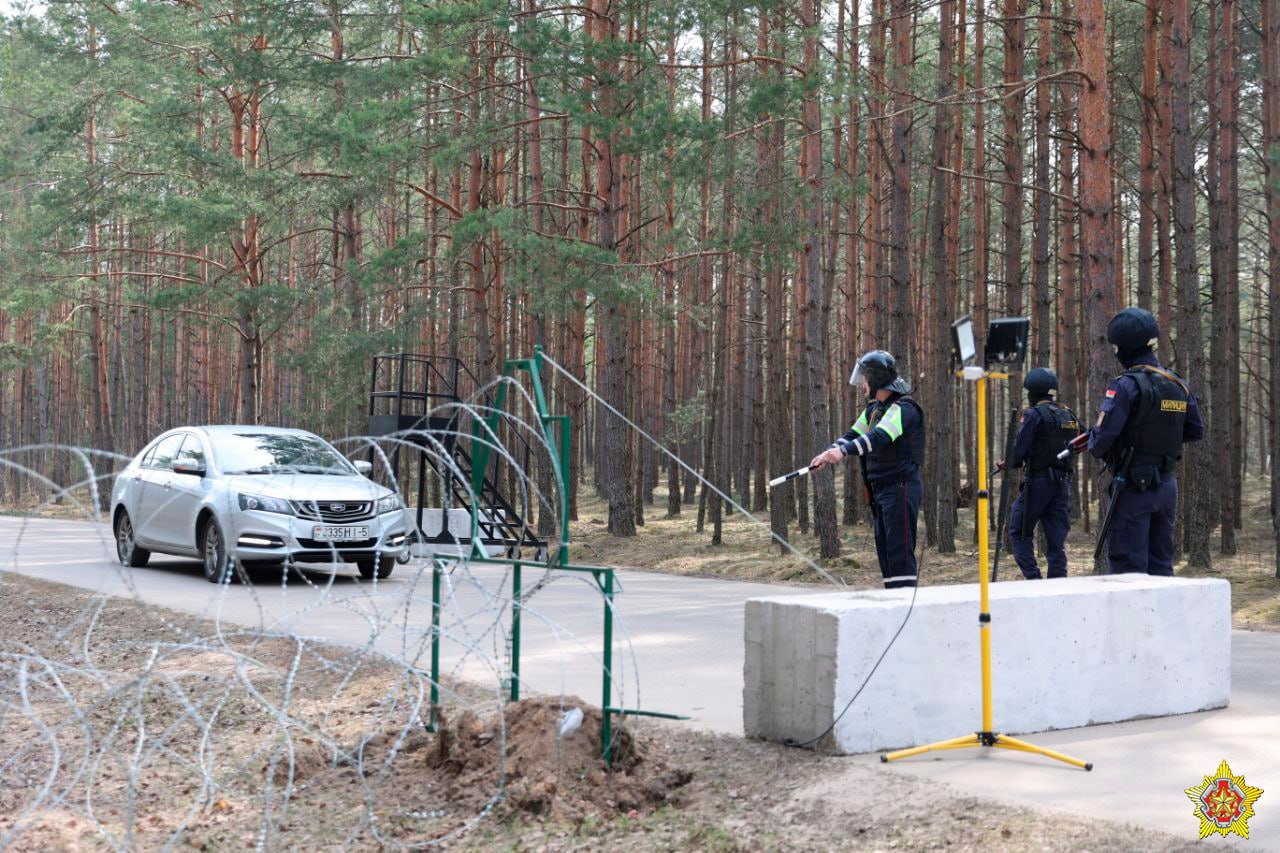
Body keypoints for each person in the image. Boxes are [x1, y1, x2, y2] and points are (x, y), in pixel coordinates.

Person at [1069, 307, 1205, 575]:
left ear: (1121, 348)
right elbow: (1194, 431)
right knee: (1161, 567)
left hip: (1131, 488)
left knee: (1128, 572)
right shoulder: (1177, 383)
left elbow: (1099, 445)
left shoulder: (1124, 386)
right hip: (1166, 487)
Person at [810, 350, 924, 590]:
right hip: (881, 492)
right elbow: (854, 434)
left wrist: (842, 453)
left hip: (900, 489)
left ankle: (905, 610)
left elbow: (878, 437)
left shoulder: (904, 409)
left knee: (899, 553)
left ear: (877, 379)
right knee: (885, 554)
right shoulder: (874, 409)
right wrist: (828, 453)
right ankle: (893, 606)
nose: (861, 383)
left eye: (864, 378)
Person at [1001, 367, 1080, 580]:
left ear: (1032, 393)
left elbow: (1019, 452)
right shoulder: (1068, 413)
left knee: (1019, 532)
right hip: (1062, 484)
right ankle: (1057, 584)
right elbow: (1083, 438)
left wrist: (1008, 463)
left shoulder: (1034, 415)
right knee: (1056, 541)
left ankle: (1034, 580)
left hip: (1038, 483)